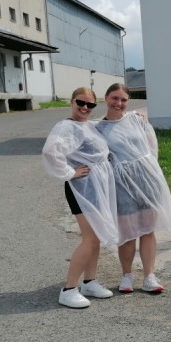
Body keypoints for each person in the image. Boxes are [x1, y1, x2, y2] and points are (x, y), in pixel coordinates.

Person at [95, 83, 171, 294]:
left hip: (146, 180)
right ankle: (127, 276)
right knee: (127, 232)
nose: (119, 103)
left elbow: (152, 148)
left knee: (148, 230)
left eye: (123, 100)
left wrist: (153, 175)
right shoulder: (98, 129)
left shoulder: (137, 119)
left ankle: (149, 276)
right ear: (106, 98)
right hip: (121, 184)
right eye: (115, 98)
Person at [42, 87, 119, 308]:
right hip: (82, 189)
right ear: (71, 102)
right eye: (80, 102)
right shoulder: (66, 127)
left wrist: (135, 116)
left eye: (90, 104)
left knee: (96, 237)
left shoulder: (87, 125)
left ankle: (89, 282)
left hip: (96, 188)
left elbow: (111, 123)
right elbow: (51, 152)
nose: (85, 108)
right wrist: (70, 173)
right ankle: (69, 289)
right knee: (91, 239)